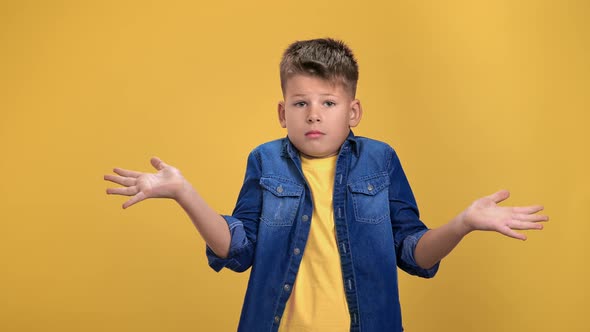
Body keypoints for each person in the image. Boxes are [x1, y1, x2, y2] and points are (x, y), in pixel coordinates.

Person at [104, 38, 548, 332]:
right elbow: (237, 250)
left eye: (328, 102)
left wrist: (464, 223)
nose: (313, 113)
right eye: (300, 102)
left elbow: (412, 253)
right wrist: (185, 192)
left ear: (352, 112)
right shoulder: (265, 161)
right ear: (283, 112)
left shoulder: (380, 159)